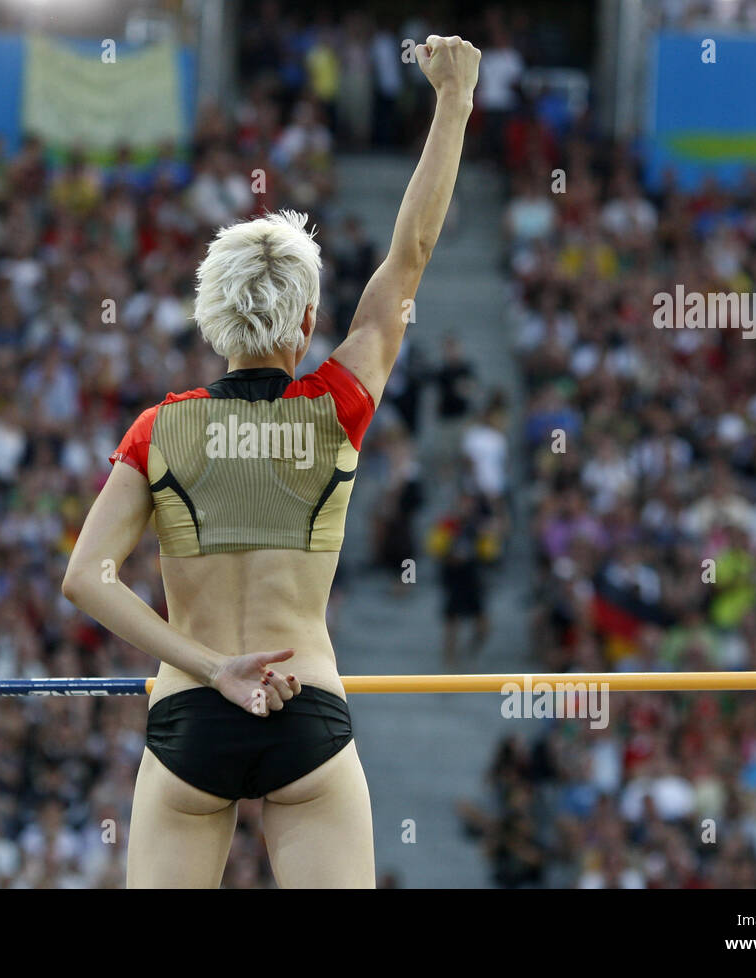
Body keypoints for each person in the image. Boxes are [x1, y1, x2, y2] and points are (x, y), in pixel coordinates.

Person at [62, 35, 482, 888]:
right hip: (305, 716)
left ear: (211, 318)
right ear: (304, 323)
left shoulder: (159, 430)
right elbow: (411, 259)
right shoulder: (335, 405)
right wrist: (453, 103)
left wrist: (211, 665)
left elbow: (86, 579)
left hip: (191, 719)